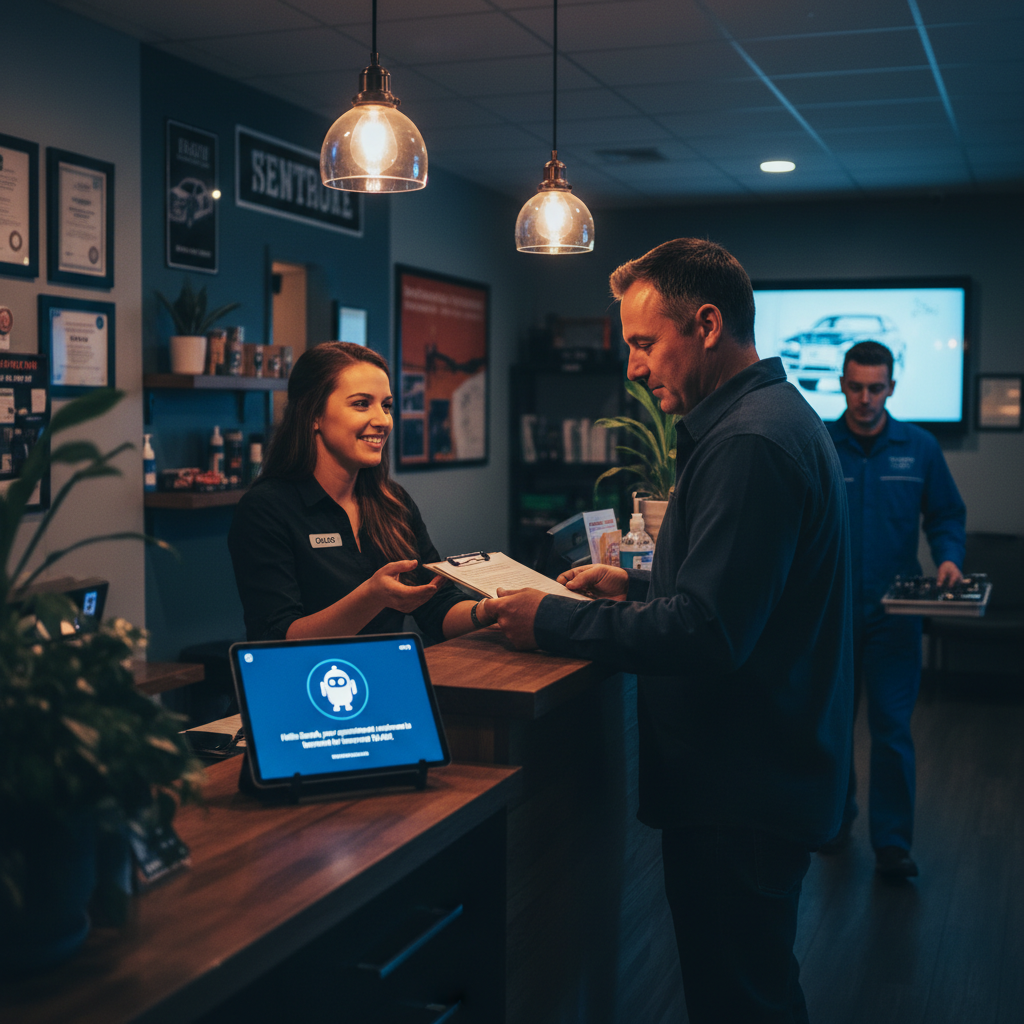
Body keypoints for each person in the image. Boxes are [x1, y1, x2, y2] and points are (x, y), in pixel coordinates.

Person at [484, 239, 853, 1024]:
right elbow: (754, 586)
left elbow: (708, 633)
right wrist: (638, 580)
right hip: (764, 778)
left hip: (742, 791)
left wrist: (548, 617)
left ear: (708, 324)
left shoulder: (749, 441)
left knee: (740, 1002)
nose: (633, 367)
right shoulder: (774, 417)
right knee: (757, 986)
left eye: (645, 343)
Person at [228, 342, 492, 643]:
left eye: (387, 405)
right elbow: (276, 638)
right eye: (361, 404)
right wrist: (370, 597)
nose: (382, 420)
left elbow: (436, 605)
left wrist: (490, 610)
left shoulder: (394, 503)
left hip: (386, 677)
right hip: (310, 684)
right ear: (314, 414)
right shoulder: (266, 509)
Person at [821, 341, 966, 878]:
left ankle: (892, 844)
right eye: (855, 387)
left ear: (892, 387)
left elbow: (947, 515)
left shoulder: (920, 447)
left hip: (895, 614)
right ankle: (834, 823)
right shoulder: (820, 443)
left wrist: (949, 558)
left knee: (892, 731)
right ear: (841, 384)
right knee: (832, 725)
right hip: (831, 615)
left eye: (875, 388)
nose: (864, 398)